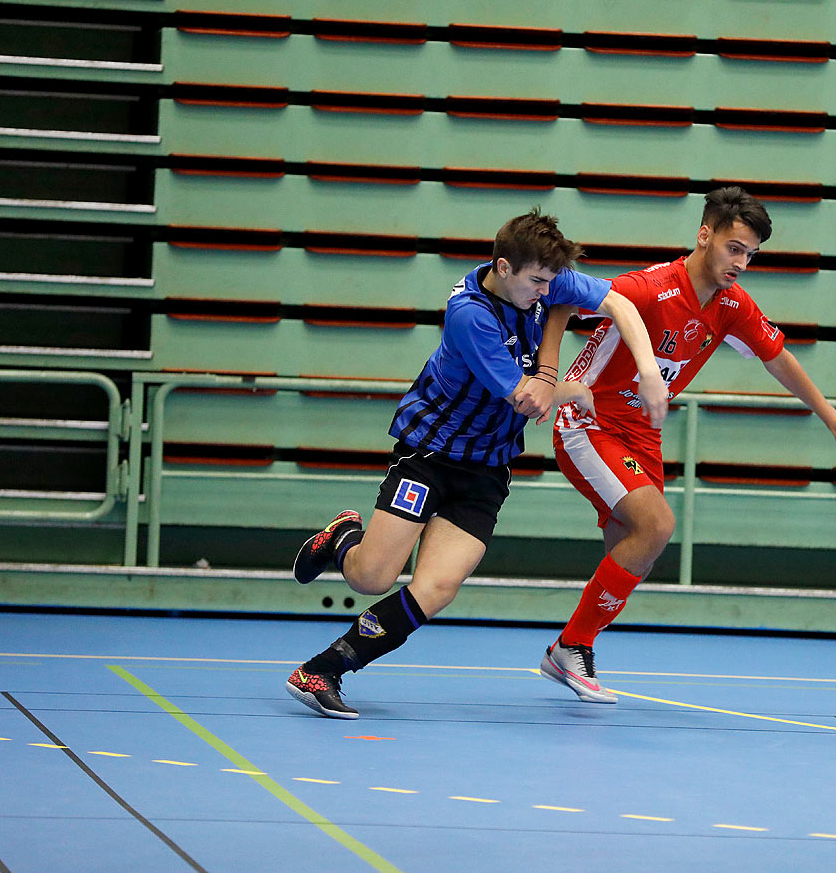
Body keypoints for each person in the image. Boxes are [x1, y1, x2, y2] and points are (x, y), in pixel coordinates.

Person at [286, 209, 669, 719]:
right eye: (537, 282)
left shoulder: (541, 276)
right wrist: (578, 388)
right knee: (372, 578)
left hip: (487, 468)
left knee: (438, 588)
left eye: (552, 282)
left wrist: (647, 371)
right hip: (431, 456)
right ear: (504, 267)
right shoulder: (470, 314)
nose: (545, 291)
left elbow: (619, 302)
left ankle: (324, 669)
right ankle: (341, 541)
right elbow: (525, 399)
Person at [536, 186, 836, 703]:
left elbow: (781, 361)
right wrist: (548, 376)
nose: (742, 263)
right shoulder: (646, 289)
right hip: (587, 421)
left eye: (751, 254)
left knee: (635, 547)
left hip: (643, 433)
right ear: (704, 235)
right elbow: (557, 300)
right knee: (658, 525)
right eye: (734, 248)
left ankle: (574, 646)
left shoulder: (731, 307)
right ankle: (571, 646)